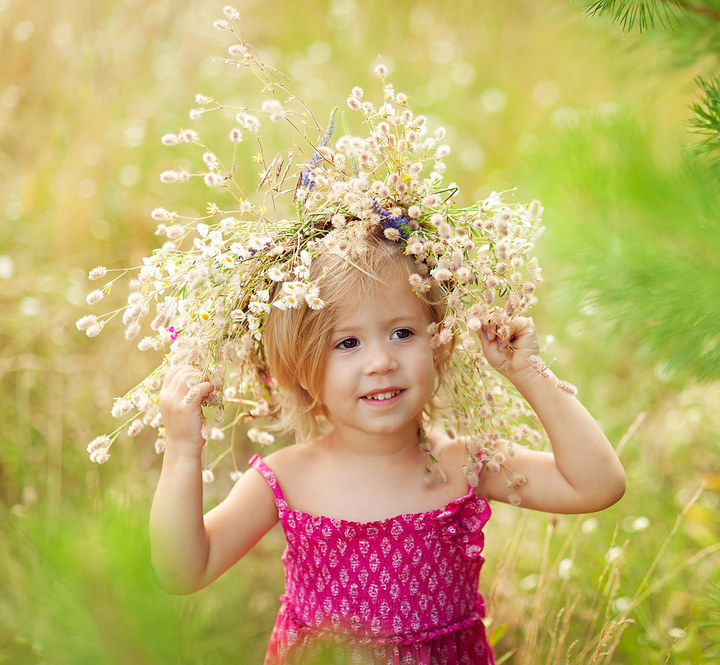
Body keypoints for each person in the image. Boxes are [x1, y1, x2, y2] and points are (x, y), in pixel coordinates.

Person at [149, 230, 627, 664]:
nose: (380, 361)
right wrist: (182, 449)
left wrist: (529, 372)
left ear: (437, 342)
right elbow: (183, 571)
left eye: (402, 333)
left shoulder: (466, 465)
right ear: (301, 366)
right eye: (347, 343)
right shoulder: (286, 479)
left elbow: (595, 486)